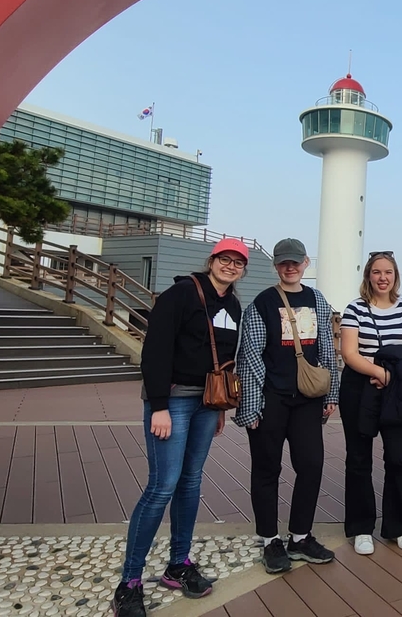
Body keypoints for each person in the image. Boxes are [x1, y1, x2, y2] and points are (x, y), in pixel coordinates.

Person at [112, 238, 246, 617]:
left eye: (238, 262)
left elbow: (225, 361)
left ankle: (178, 563)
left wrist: (219, 406)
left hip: (206, 403)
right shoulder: (181, 294)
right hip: (172, 400)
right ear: (212, 260)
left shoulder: (233, 304)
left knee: (191, 482)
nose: (230, 266)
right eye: (225, 259)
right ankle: (130, 581)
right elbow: (155, 350)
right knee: (162, 485)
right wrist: (158, 406)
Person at [234, 238, 340, 573]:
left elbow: (327, 349)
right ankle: (269, 540)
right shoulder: (262, 303)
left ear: (306, 263)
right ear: (276, 265)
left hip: (307, 400)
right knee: (267, 469)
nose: (290, 267)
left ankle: (299, 536)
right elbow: (250, 357)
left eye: (296, 262)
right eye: (284, 263)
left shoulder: (316, 300)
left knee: (311, 465)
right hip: (271, 399)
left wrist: (331, 394)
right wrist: (251, 405)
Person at [339, 251, 402, 555]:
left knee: (399, 459)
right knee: (359, 458)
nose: (382, 278)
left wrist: (390, 376)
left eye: (388, 272)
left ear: (395, 276)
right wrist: (379, 372)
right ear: (368, 276)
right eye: (376, 272)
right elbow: (349, 352)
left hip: (397, 389)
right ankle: (361, 527)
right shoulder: (354, 310)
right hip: (360, 388)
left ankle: (398, 526)